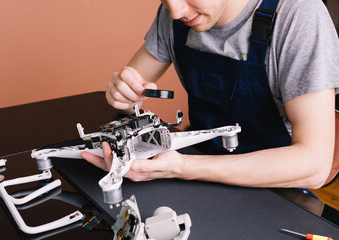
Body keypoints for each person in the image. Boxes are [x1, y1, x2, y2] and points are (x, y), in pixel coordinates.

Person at [82, 0, 339, 189]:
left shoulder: (298, 15)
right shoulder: (178, 13)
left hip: (277, 188)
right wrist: (124, 94)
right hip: (197, 172)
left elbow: (314, 165)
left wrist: (182, 168)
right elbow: (131, 96)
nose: (175, 11)